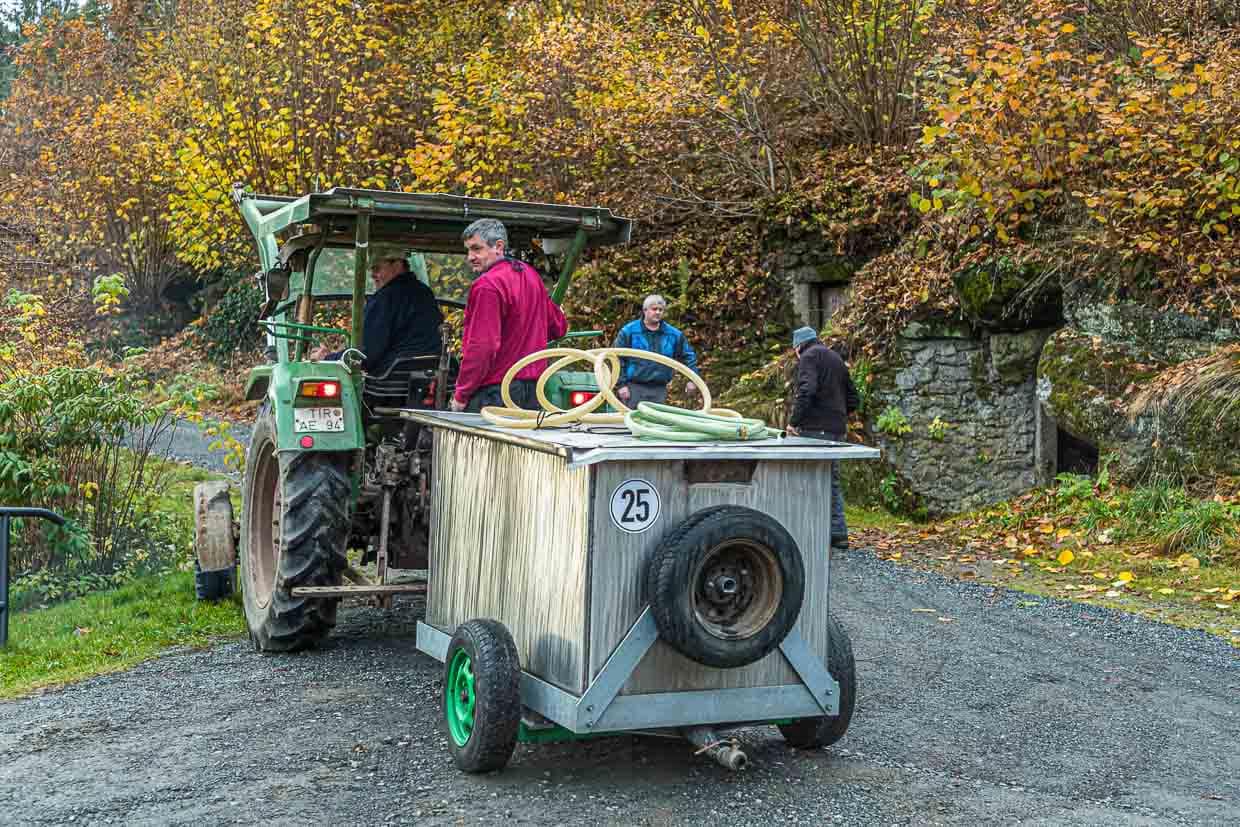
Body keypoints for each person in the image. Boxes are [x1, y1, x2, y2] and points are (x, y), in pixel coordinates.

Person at [450, 218, 567, 412]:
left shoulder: (487, 285)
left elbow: (482, 347)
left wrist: (461, 396)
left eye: (476, 249)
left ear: (498, 246)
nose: (470, 257)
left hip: (496, 394)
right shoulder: (530, 275)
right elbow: (559, 328)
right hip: (534, 394)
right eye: (468, 250)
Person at [786, 326, 859, 551]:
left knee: (807, 480)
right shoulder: (835, 358)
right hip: (836, 428)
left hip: (815, 429)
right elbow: (854, 398)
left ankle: (808, 532)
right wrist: (837, 416)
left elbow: (807, 390)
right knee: (831, 481)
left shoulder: (808, 357)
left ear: (798, 346)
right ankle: (838, 534)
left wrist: (794, 422)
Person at [310, 254, 443, 376]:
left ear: (397, 265)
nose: (373, 275)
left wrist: (327, 359)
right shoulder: (425, 293)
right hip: (432, 378)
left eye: (377, 268)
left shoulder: (385, 299)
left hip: (390, 385)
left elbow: (364, 356)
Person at [613, 294, 698, 407]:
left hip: (659, 388)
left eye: (660, 310)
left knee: (655, 423)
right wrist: (621, 385)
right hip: (633, 387)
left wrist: (693, 380)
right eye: (654, 309)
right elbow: (616, 358)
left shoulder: (673, 335)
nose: (657, 312)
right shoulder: (629, 332)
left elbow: (688, 356)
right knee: (632, 423)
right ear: (645, 310)